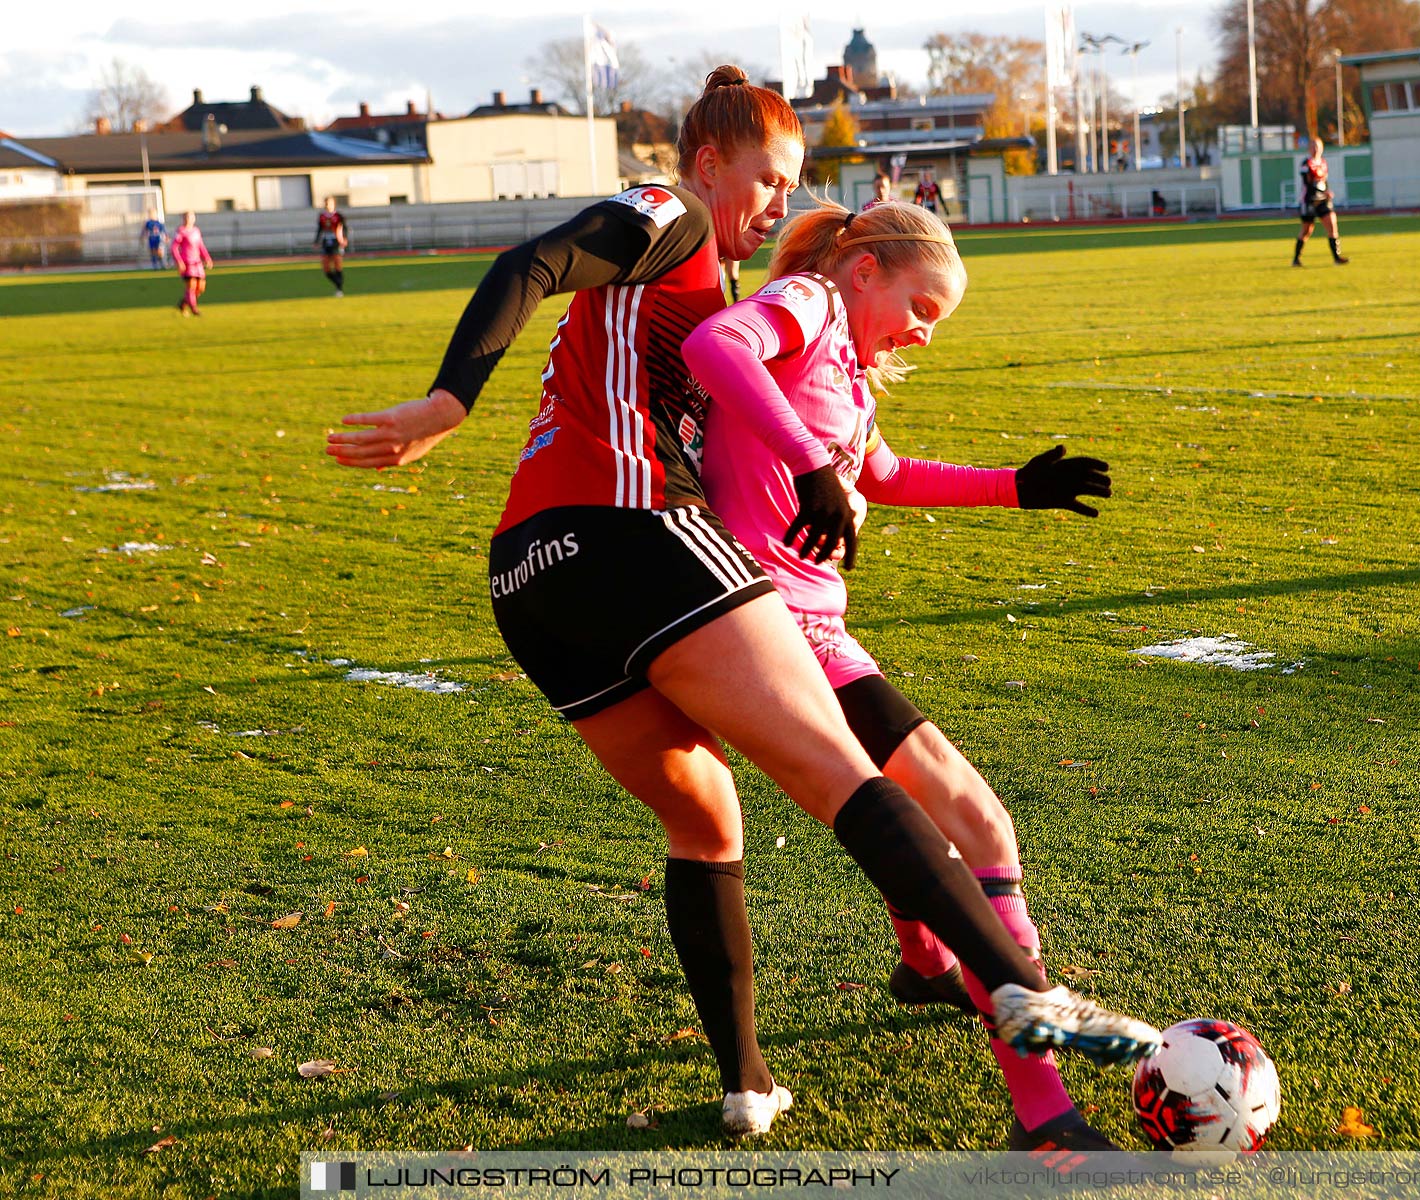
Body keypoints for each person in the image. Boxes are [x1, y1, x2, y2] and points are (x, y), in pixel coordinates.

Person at [325, 66, 1158, 1140]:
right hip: (633, 532)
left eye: (790, 185)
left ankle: (747, 1082)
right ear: (708, 161)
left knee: (705, 813)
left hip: (529, 580)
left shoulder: (716, 292)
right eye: (766, 179)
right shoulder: (667, 214)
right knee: (843, 775)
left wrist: (977, 479)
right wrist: (449, 400)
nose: (775, 205)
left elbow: (838, 438)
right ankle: (1023, 995)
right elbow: (530, 260)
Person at [684, 198, 1121, 1153]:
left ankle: (925, 962)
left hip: (812, 625)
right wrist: (808, 465)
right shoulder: (806, 301)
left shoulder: (842, 355)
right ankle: (1045, 1115)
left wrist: (1017, 486)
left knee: (917, 813)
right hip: (769, 622)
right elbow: (717, 346)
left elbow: (874, 470)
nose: (925, 331)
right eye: (922, 305)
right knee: (974, 820)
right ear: (866, 267)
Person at [1293, 139, 1347, 267]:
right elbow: (1308, 184)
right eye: (1313, 146)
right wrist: (1322, 191)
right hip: (1309, 201)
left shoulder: (1323, 163)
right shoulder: (1306, 164)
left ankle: (1337, 258)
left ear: (1322, 148)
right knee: (1307, 230)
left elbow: (1324, 181)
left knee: (1332, 225)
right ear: (1309, 149)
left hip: (1323, 200)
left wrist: (1327, 191)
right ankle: (1296, 259)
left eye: (1318, 146)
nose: (1315, 149)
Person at [170, 212, 212, 316]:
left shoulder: (196, 231)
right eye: (187, 217)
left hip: (197, 263)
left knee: (200, 288)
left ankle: (183, 304)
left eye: (191, 217)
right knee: (191, 287)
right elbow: (174, 247)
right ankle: (194, 309)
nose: (189, 219)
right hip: (187, 263)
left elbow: (201, 246)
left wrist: (207, 258)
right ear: (183, 218)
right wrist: (179, 261)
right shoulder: (180, 231)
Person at [316, 197, 349, 296]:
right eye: (326, 203)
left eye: (329, 203)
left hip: (336, 242)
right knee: (326, 268)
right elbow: (320, 229)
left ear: (333, 204)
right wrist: (316, 241)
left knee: (337, 265)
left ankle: (339, 289)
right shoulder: (322, 216)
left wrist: (344, 238)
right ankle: (338, 283)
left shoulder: (339, 216)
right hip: (326, 243)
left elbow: (345, 228)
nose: (327, 205)